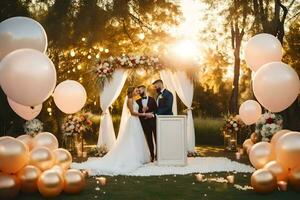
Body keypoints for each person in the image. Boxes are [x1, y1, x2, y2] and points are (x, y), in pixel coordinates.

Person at [72, 87, 152, 175]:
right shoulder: (129, 99)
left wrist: (143, 110)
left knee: (136, 139)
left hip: (136, 121)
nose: (138, 91)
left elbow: (136, 110)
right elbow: (132, 112)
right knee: (131, 139)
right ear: (132, 91)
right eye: (136, 90)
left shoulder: (134, 99)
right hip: (133, 121)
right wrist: (144, 114)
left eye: (138, 90)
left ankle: (139, 157)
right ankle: (132, 158)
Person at [136, 85, 157, 162]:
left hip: (153, 122)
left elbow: (156, 110)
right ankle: (152, 155)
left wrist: (151, 113)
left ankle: (158, 155)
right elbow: (137, 113)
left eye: (140, 90)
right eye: (138, 91)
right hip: (144, 124)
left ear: (144, 89)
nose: (139, 92)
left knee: (156, 138)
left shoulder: (152, 99)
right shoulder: (137, 101)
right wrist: (142, 111)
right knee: (149, 140)